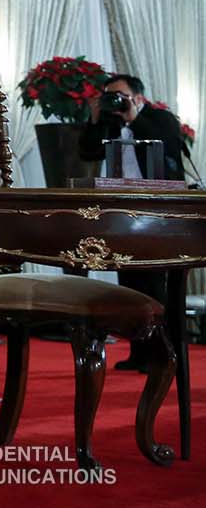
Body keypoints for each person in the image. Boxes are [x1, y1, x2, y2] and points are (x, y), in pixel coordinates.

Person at [77, 72, 186, 371]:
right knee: (129, 281)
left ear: (138, 97)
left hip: (157, 209)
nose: (116, 101)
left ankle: (165, 352)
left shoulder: (160, 118)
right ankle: (139, 352)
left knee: (154, 282)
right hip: (122, 209)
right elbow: (87, 150)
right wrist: (96, 117)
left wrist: (134, 117)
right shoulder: (110, 123)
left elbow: (169, 146)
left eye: (120, 96)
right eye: (109, 95)